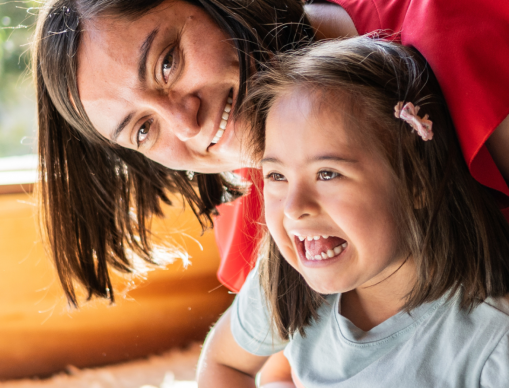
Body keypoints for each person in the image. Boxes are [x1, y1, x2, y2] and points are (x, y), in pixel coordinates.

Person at [33, 0, 509, 307]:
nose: (186, 121)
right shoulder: (256, 238)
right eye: (142, 129)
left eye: (167, 61)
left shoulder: (453, 32)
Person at [197, 36, 509, 387]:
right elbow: (226, 363)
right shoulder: (285, 280)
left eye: (327, 173)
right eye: (277, 176)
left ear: (417, 182)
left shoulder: (493, 338)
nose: (295, 208)